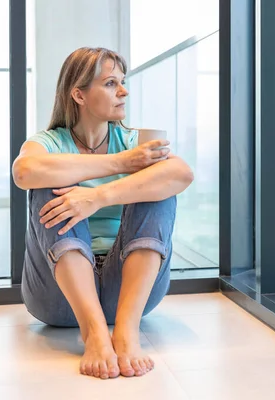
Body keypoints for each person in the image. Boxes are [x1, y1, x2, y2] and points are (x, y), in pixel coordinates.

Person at [12, 47, 194, 380]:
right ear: (79, 94)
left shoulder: (133, 141)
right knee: (44, 183)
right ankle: (95, 333)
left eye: (122, 83)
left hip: (128, 294)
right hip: (58, 298)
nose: (123, 91)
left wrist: (96, 197)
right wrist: (122, 163)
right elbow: (24, 171)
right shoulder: (50, 142)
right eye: (111, 83)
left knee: (158, 182)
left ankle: (125, 332)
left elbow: (182, 174)